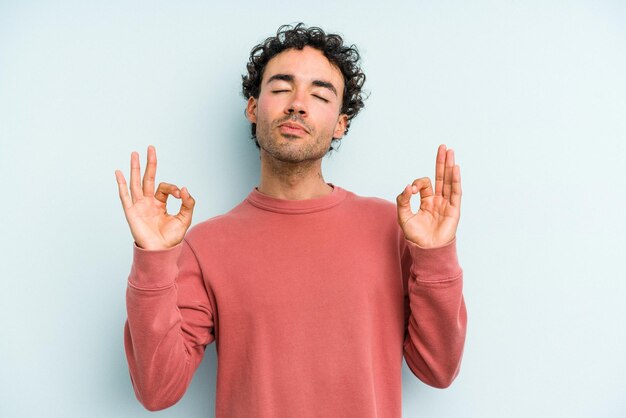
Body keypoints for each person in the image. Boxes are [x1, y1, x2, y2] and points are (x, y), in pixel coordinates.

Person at [115, 23, 466, 417]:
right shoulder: (206, 245)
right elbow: (156, 390)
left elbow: (438, 370)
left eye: (319, 94)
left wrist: (435, 255)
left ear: (340, 123)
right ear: (253, 107)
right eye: (281, 88)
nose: (297, 104)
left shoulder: (393, 228)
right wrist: (153, 261)